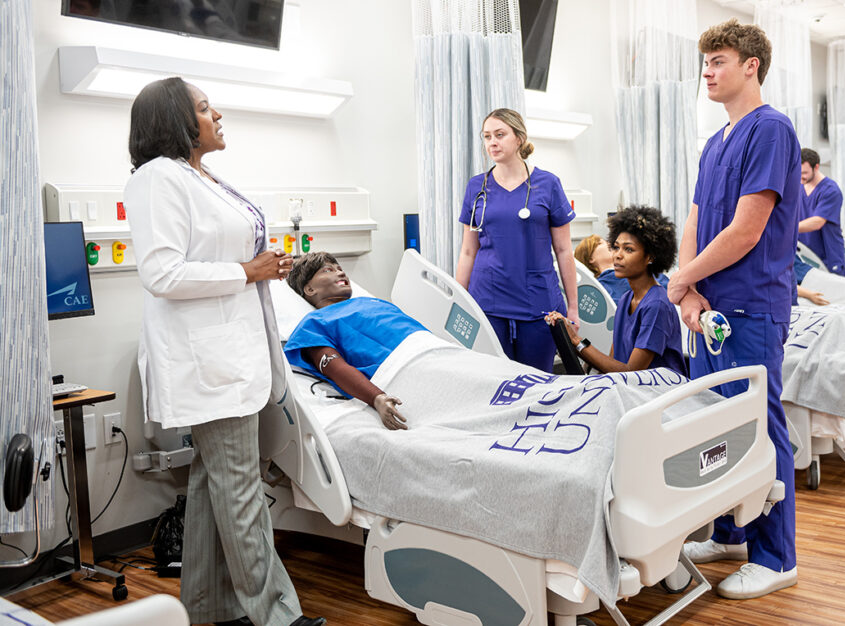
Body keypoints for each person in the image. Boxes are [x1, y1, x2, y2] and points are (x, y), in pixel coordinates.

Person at [123, 77, 323, 626]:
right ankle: (276, 616)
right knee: (239, 488)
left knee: (214, 483)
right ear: (175, 121)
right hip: (207, 363)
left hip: (233, 354)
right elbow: (162, 273)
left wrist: (262, 267)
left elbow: (218, 254)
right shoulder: (157, 178)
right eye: (205, 108)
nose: (217, 115)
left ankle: (212, 606)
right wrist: (246, 271)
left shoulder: (200, 177)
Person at [665, 18, 799, 599]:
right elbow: (695, 220)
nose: (707, 72)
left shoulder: (771, 130)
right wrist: (688, 288)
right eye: (705, 62)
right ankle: (729, 533)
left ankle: (776, 556)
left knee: (758, 427)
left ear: (751, 66)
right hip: (710, 309)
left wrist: (681, 280)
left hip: (750, 306)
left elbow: (746, 231)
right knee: (714, 424)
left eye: (718, 61)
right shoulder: (715, 141)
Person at [456, 108, 579, 372]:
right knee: (493, 381)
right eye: (487, 136)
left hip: (539, 304)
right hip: (487, 301)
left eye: (500, 135)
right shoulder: (477, 187)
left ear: (519, 138)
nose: (492, 142)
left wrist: (573, 307)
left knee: (537, 381)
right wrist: (459, 302)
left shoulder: (548, 184)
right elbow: (468, 251)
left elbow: (563, 250)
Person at [284, 252, 427, 430]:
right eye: (328, 270)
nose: (341, 273)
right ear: (310, 289)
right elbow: (335, 367)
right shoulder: (314, 324)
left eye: (340, 269)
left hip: (430, 347)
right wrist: (376, 397)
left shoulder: (375, 302)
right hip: (404, 369)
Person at [547, 206, 686, 375]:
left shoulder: (656, 306)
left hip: (660, 390)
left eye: (628, 249)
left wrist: (576, 340)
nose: (617, 255)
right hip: (629, 386)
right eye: (616, 247)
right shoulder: (626, 300)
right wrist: (567, 337)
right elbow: (612, 364)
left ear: (650, 257)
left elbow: (632, 372)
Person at [575, 233, 669, 302]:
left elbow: (667, 287)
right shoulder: (599, 288)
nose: (609, 244)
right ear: (590, 258)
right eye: (599, 243)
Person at [797, 148, 845, 276]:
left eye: (804, 172)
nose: (800, 176)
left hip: (828, 257)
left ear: (816, 167)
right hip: (804, 256)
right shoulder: (799, 188)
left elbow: (817, 222)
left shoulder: (830, 190)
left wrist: (788, 229)